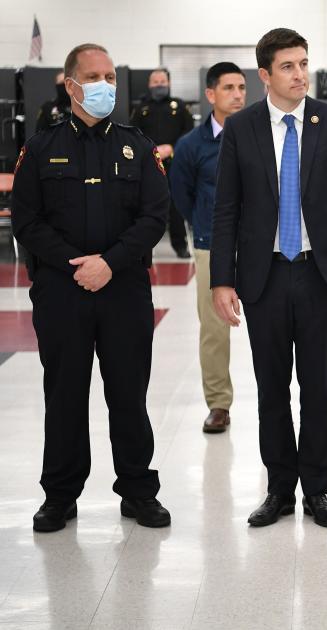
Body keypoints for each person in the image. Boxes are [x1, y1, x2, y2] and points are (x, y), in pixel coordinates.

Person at [210, 28, 327, 528]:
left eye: (303, 64)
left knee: (317, 387)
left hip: (320, 275)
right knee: (271, 385)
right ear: (265, 75)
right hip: (265, 277)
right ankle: (279, 487)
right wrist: (221, 278)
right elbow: (226, 209)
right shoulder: (243, 128)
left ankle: (317, 490)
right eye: (288, 66)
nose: (300, 74)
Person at [12, 43, 173, 532]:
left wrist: (110, 262)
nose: (105, 84)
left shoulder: (137, 145)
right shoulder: (41, 147)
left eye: (110, 76)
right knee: (64, 393)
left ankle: (138, 491)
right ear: (70, 83)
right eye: (94, 76)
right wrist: (73, 264)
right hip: (62, 291)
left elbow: (154, 216)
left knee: (128, 392)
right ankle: (60, 495)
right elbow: (27, 220)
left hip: (123, 288)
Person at [169, 62, 247, 433]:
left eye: (242, 87)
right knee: (215, 330)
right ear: (211, 93)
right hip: (210, 246)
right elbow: (181, 196)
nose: (237, 95)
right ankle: (218, 404)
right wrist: (205, 224)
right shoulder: (191, 145)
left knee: (274, 329)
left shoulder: (261, 135)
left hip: (261, 247)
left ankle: (276, 401)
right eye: (229, 88)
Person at [130, 68, 195, 258]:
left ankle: (180, 245)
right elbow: (133, 135)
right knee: (146, 206)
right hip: (148, 164)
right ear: (150, 85)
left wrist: (172, 148)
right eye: (155, 81)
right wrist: (152, 150)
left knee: (176, 207)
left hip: (175, 163)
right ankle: (143, 248)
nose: (159, 84)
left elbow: (189, 132)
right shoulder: (141, 109)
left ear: (168, 83)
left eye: (162, 81)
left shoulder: (180, 106)